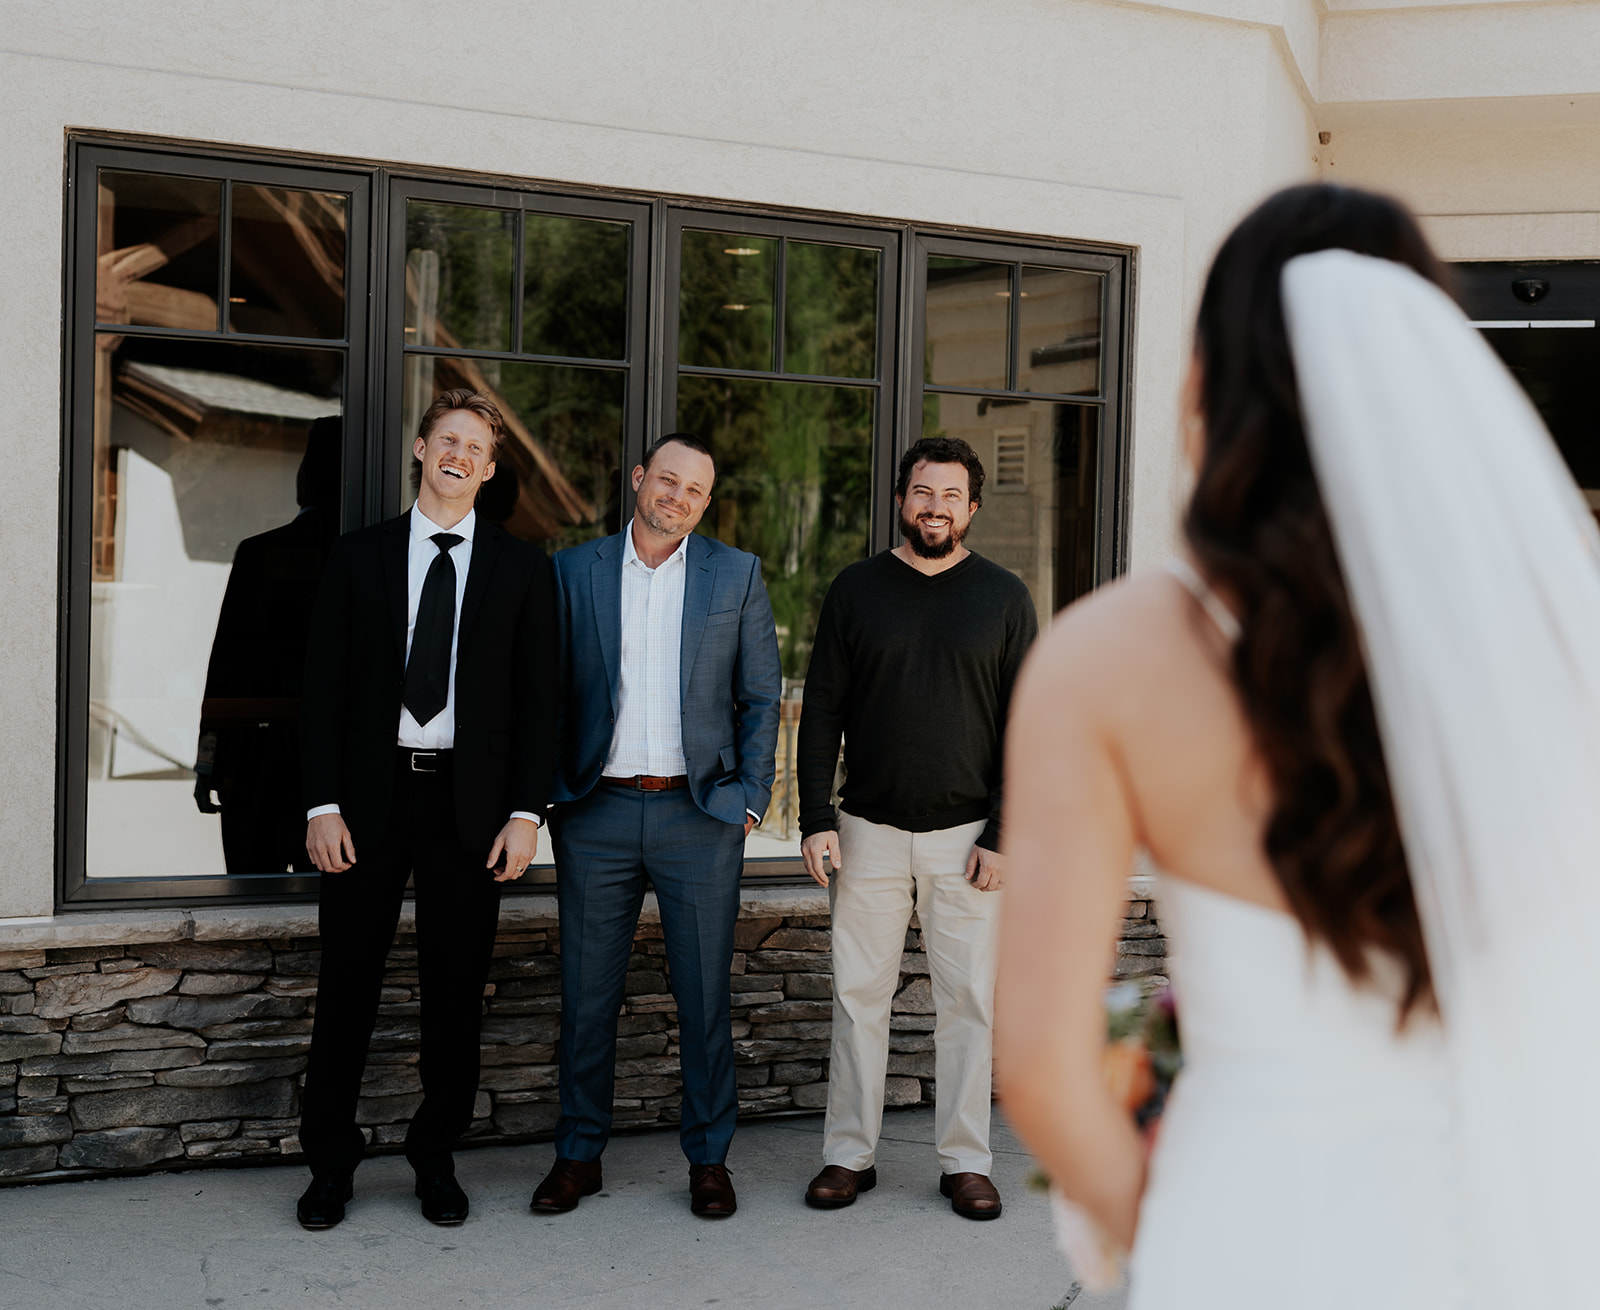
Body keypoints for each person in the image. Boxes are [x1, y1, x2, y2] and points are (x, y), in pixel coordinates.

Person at [996, 183, 1600, 1307]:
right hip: (1515, 1239)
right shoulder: (1561, 641)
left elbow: (1037, 1065)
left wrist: (1169, 1233)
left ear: (1200, 385)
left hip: (1247, 1234)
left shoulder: (1108, 656)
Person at [295, 389, 557, 1231]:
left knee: (453, 993)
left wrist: (527, 815)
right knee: (347, 990)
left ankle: (433, 1158)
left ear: (488, 468)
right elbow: (322, 690)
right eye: (447, 439)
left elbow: (538, 702)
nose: (459, 456)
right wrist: (322, 803)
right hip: (368, 802)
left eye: (475, 448)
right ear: (420, 449)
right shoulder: (359, 555)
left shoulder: (523, 568)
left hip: (468, 808)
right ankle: (330, 1164)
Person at [532, 432, 781, 1219]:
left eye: (695, 490)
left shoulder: (734, 574)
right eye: (666, 480)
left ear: (707, 502)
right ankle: (578, 1155)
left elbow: (761, 696)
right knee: (586, 995)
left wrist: (747, 797)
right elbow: (548, 694)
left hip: (697, 815)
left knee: (704, 997)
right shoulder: (574, 570)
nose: (677, 497)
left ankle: (709, 1159)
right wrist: (547, 798)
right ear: (640, 478)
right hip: (596, 813)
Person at [796, 436, 1038, 1219]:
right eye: (922, 493)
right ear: (902, 498)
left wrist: (1005, 831)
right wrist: (814, 818)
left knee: (966, 1003)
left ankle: (966, 1160)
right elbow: (821, 709)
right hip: (865, 829)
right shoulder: (856, 589)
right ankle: (848, 1156)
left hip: (967, 839)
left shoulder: (1003, 598)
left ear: (971, 507)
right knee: (858, 998)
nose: (935, 508)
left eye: (951, 496)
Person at [193, 414, 342, 874]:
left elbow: (225, 666)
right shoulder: (368, 558)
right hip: (331, 762)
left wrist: (207, 763)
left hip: (254, 756)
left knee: (252, 889)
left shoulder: (259, 553)